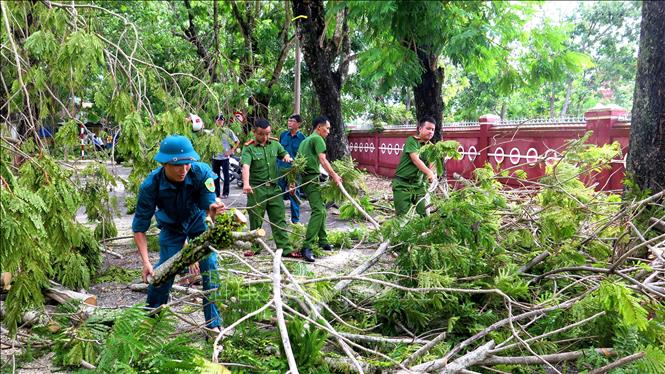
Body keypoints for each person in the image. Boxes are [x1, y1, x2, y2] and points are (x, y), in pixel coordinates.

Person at [132, 135, 225, 332]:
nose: (184, 170)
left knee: (210, 266)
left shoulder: (201, 172)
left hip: (198, 222)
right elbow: (139, 228)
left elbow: (209, 205)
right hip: (171, 227)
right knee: (164, 272)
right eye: (177, 165)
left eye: (187, 164)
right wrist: (146, 262)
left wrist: (213, 211)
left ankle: (212, 325)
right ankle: (151, 318)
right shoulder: (151, 185)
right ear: (164, 163)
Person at [241, 119, 296, 257]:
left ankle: (285, 249)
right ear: (254, 132)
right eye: (261, 134)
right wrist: (246, 183)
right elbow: (246, 166)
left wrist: (287, 157)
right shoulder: (249, 148)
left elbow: (285, 154)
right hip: (256, 190)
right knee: (256, 220)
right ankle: (254, 247)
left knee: (279, 219)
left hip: (274, 189)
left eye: (267, 134)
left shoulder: (275, 144)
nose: (264, 137)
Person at [297, 115, 342, 262]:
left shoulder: (305, 141)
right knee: (319, 210)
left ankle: (323, 240)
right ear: (319, 127)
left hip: (307, 179)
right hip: (310, 179)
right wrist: (334, 175)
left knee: (321, 206)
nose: (328, 131)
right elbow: (322, 159)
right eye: (327, 128)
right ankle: (307, 246)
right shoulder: (317, 139)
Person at [392, 116, 437, 217]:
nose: (431, 132)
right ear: (420, 129)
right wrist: (429, 173)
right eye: (428, 128)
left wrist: (433, 175)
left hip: (419, 186)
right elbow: (415, 159)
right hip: (402, 184)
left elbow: (432, 165)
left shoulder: (432, 148)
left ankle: (425, 232)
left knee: (424, 215)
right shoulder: (412, 141)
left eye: (433, 129)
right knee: (403, 217)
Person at [277, 114, 306, 223]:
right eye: (289, 121)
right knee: (278, 193)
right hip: (281, 169)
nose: (289, 123)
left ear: (298, 124)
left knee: (294, 193)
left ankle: (295, 220)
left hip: (294, 170)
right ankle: (279, 218)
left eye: (292, 121)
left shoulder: (302, 138)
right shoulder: (283, 135)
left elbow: (303, 156)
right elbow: (279, 150)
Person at [211, 113, 240, 198]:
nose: (220, 122)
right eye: (218, 120)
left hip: (225, 157)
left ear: (223, 121)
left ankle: (225, 193)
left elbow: (237, 141)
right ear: (216, 121)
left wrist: (231, 151)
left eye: (221, 120)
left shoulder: (228, 131)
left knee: (226, 176)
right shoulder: (212, 131)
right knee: (216, 176)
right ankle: (217, 193)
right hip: (215, 157)